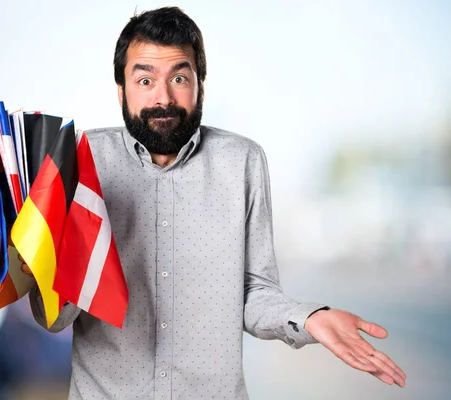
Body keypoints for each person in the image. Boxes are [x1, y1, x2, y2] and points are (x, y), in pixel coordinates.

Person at [23, 6, 406, 399]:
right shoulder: (78, 162)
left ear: (200, 85)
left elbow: (254, 292)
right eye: (144, 79)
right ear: (121, 90)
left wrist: (310, 319)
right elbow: (54, 318)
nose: (163, 97)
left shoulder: (242, 162)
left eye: (179, 77)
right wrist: (42, 266)